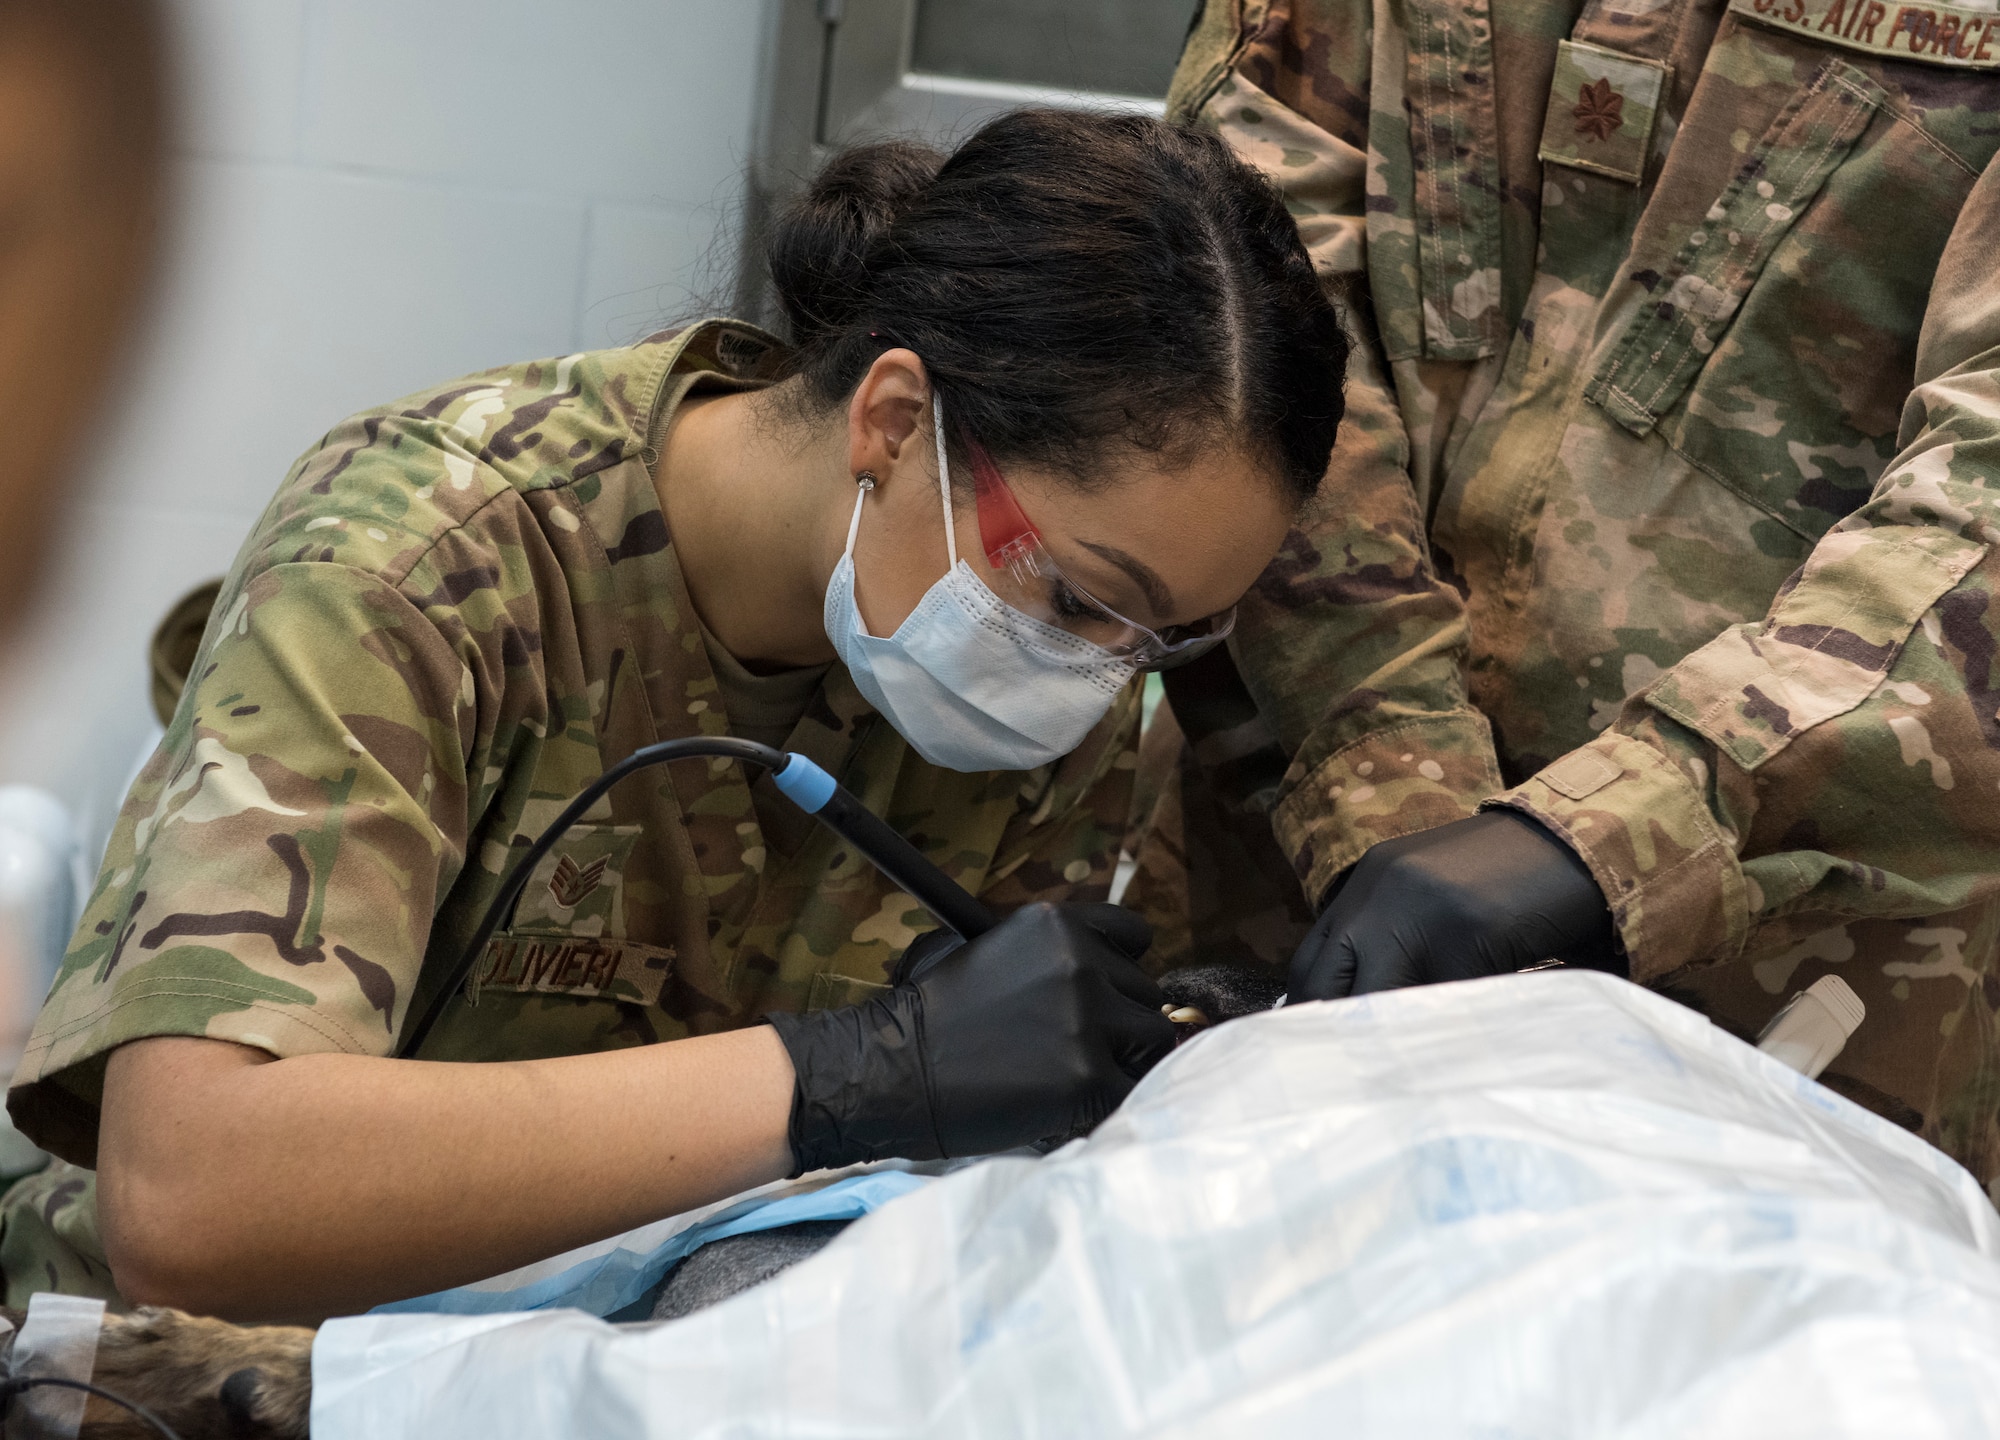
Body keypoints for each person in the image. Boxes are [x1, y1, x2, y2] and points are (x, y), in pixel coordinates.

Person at [0, 108, 1350, 1321]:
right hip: (215, 1371)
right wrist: (846, 1078)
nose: (1104, 671)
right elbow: (194, 1200)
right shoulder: (422, 559)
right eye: (1080, 595)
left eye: (1163, 634)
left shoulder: (1035, 671)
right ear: (891, 420)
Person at [1138, 0, 2000, 1186]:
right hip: (1293, 855)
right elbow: (1248, 292)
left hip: (1813, 993)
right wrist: (1389, 769)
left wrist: (1617, 831)